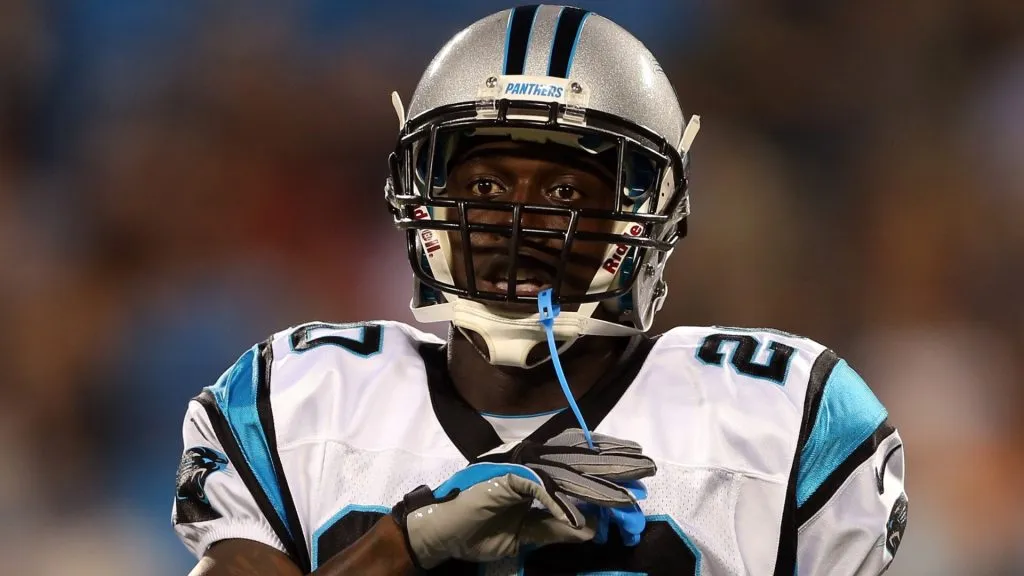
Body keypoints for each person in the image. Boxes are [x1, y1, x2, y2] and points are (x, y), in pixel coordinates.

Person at [173, 5, 908, 575]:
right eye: (486, 185)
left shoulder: (783, 417)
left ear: (647, 215)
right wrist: (406, 543)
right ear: (420, 197)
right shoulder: (301, 394)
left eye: (564, 191)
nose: (517, 223)